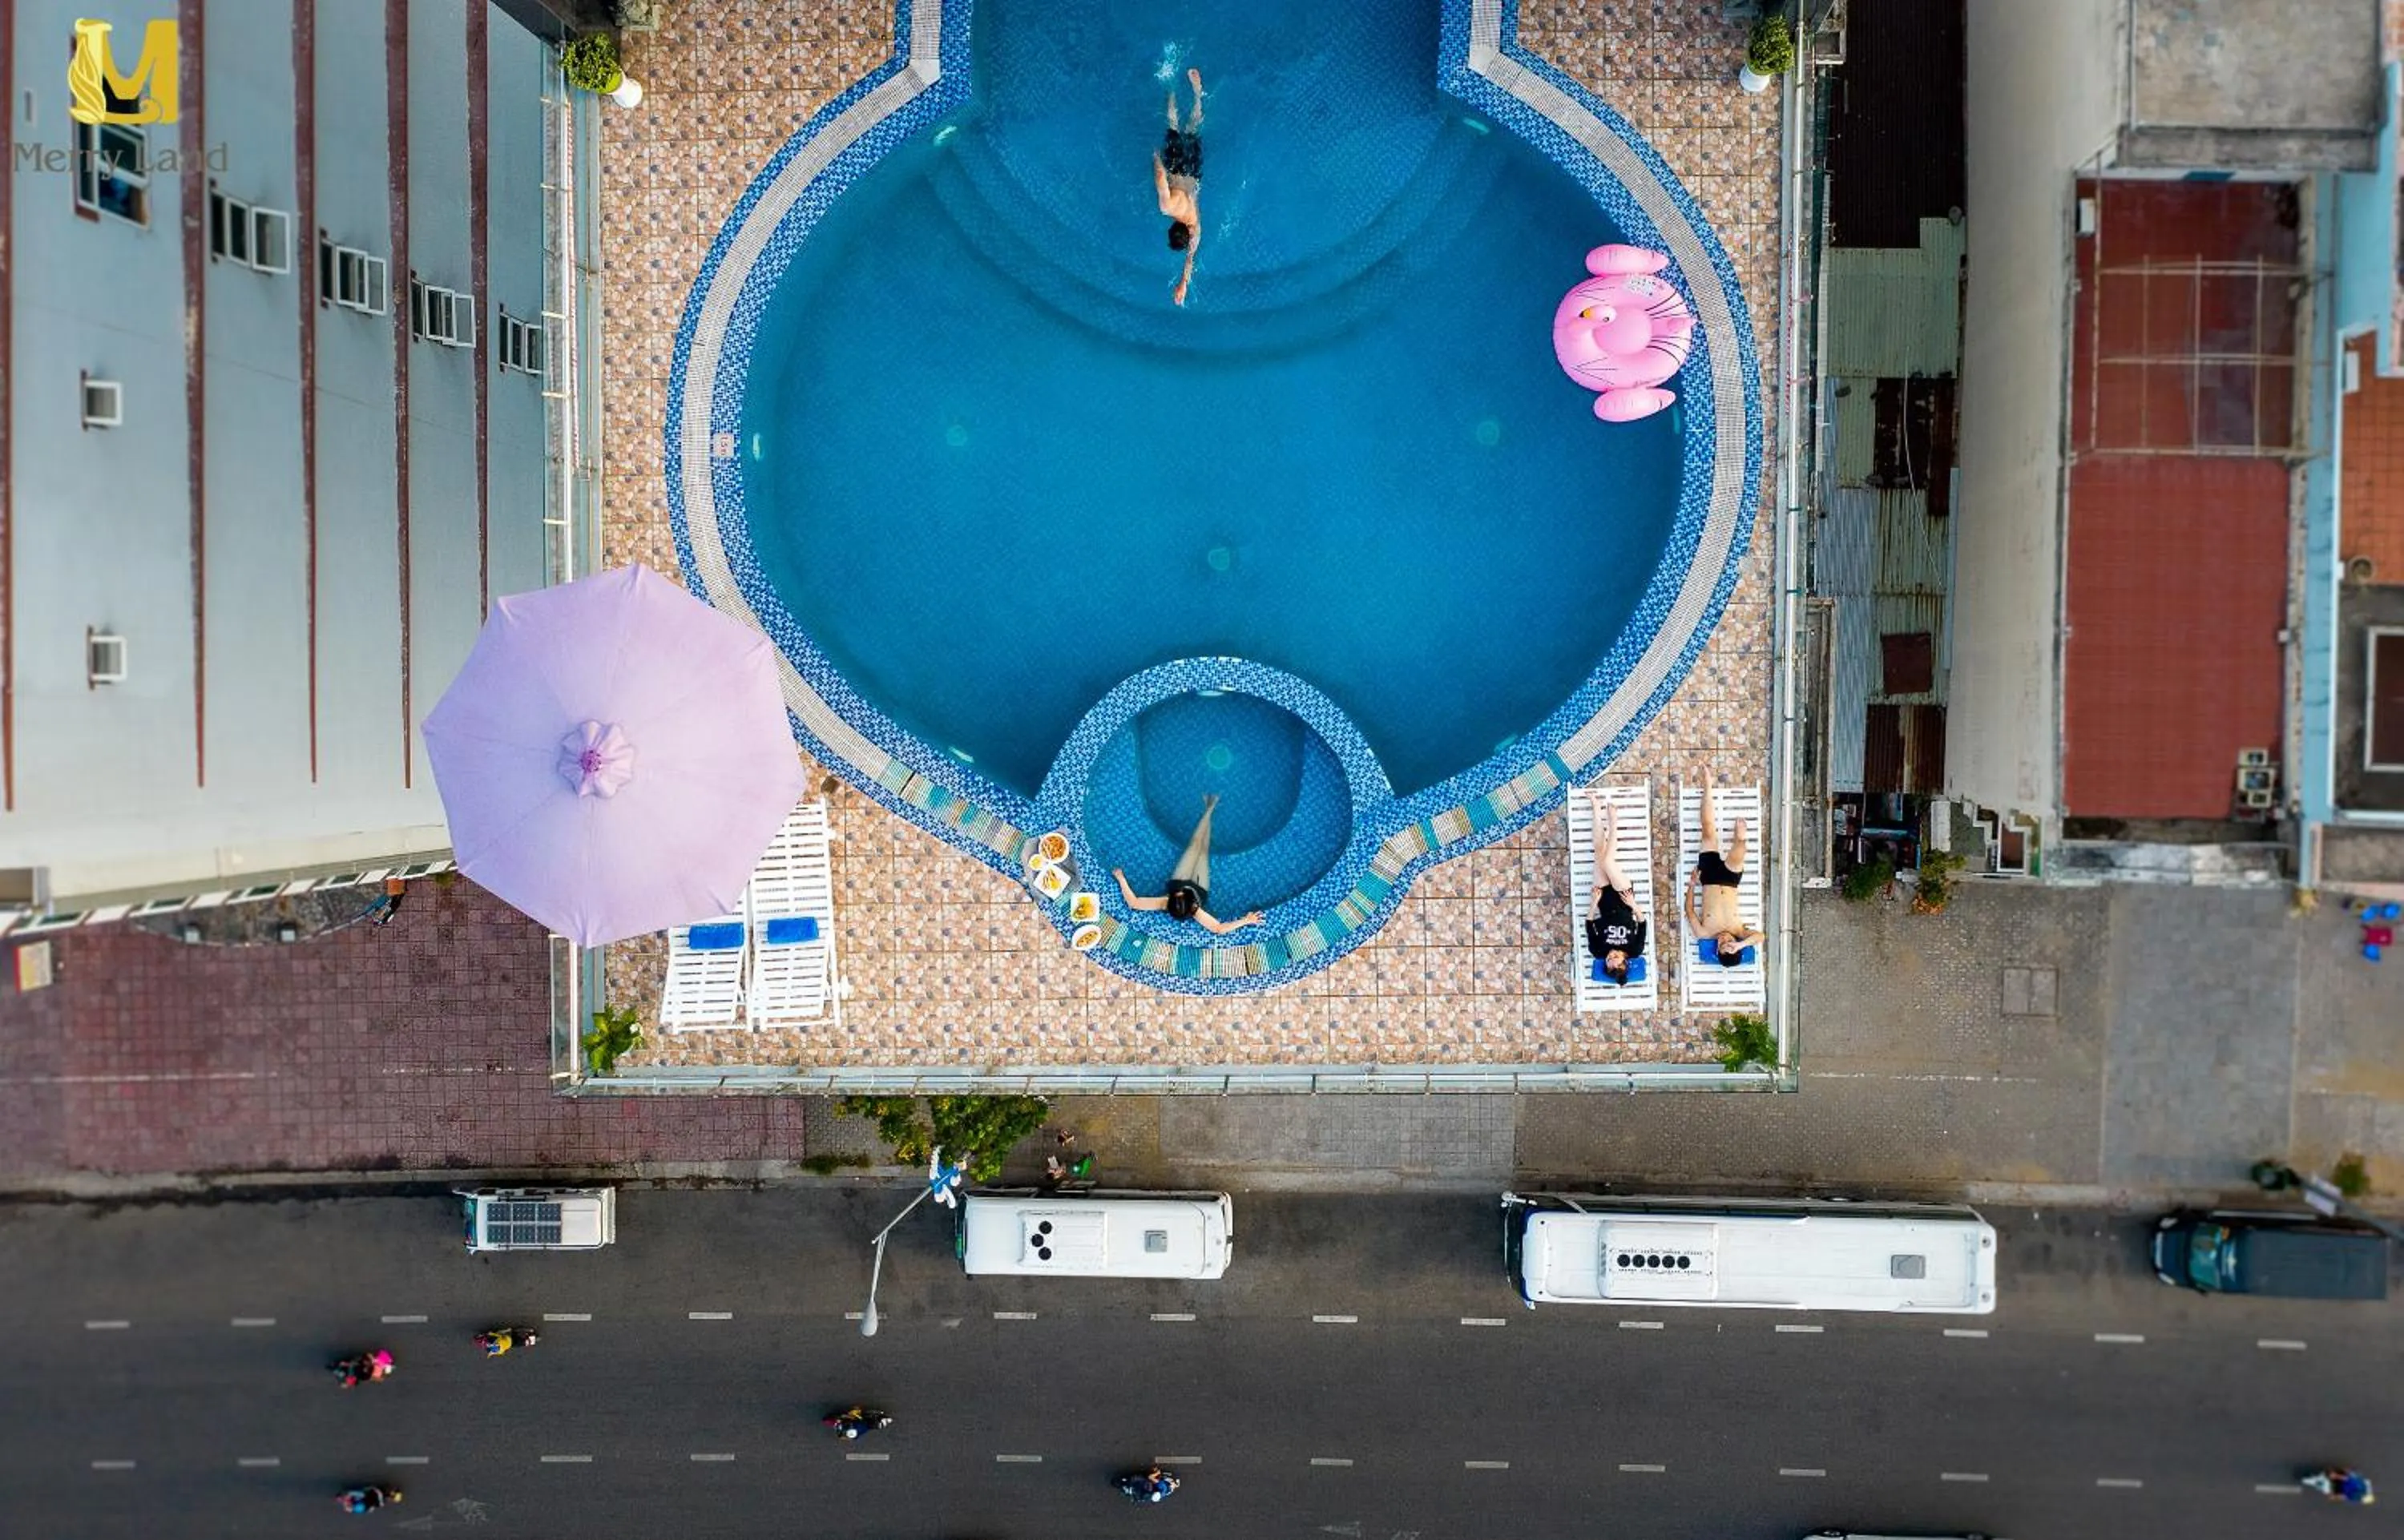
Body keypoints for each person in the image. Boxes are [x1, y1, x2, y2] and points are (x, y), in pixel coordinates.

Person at [1113, 795, 1265, 934]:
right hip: (1199, 888)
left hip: (1178, 881)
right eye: (1181, 894)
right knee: (1203, 851)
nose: (1181, 891)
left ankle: (1209, 809)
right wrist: (1246, 921)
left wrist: (1121, 879)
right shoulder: (1194, 909)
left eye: (1176, 894)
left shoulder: (1165, 901)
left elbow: (1134, 903)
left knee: (1194, 845)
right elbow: (1219, 928)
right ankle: (1210, 810)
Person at [1684, 771, 1765, 965]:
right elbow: (1761, 937)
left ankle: (1708, 785)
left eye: (1721, 945)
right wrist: (1741, 945)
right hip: (1730, 881)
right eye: (1730, 943)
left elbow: (1690, 911)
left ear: (1716, 949)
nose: (1724, 939)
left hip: (1708, 878)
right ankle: (1740, 839)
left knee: (1708, 831)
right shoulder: (1740, 932)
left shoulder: (1704, 933)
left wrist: (1692, 885)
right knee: (1738, 854)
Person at [1581, 788, 1648, 985]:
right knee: (1608, 862)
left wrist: (1594, 902)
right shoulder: (1635, 949)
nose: (1610, 956)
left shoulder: (1597, 950)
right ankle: (1613, 822)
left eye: (1608, 960)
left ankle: (1595, 807)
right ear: (1625, 962)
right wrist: (1633, 904)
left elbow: (1589, 924)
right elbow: (1642, 923)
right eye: (1615, 959)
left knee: (1599, 853)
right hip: (1624, 898)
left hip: (1602, 900)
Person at [1152, 67, 1205, 305]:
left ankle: (1197, 95)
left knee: (1193, 128)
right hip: (1176, 169)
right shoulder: (1168, 207)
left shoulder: (1195, 227)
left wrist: (1183, 283)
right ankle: (1171, 85)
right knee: (1173, 125)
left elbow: (1190, 259)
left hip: (1193, 174)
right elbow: (1160, 179)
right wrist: (1156, 159)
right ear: (1172, 227)